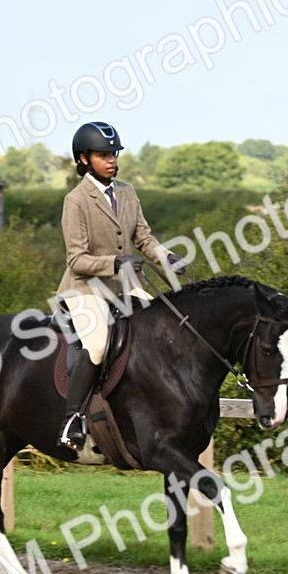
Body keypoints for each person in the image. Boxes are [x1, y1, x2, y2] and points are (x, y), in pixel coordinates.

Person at [56, 121, 185, 450]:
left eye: (113, 154)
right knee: (98, 344)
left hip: (126, 286)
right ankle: (73, 418)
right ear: (83, 159)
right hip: (85, 288)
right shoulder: (76, 200)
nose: (112, 160)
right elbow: (76, 260)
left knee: (165, 327)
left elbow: (143, 237)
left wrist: (167, 257)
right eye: (103, 155)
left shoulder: (126, 192)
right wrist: (115, 263)